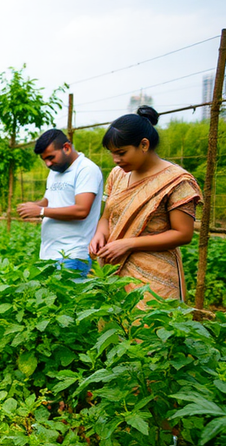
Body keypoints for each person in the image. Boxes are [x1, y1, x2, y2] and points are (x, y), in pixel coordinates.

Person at [88, 106, 202, 303]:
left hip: (155, 277)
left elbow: (183, 233)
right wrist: (99, 235)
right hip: (114, 270)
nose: (116, 160)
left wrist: (129, 243)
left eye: (121, 152)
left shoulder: (177, 181)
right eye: (112, 153)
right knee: (115, 329)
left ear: (144, 144)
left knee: (150, 330)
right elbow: (107, 217)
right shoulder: (118, 175)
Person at [16, 129, 103, 277]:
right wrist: (33, 206)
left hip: (72, 255)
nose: (48, 163)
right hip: (49, 254)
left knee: (69, 299)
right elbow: (49, 201)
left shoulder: (86, 169)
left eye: (51, 157)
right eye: (44, 160)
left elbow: (81, 210)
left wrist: (41, 212)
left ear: (66, 148)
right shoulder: (55, 171)